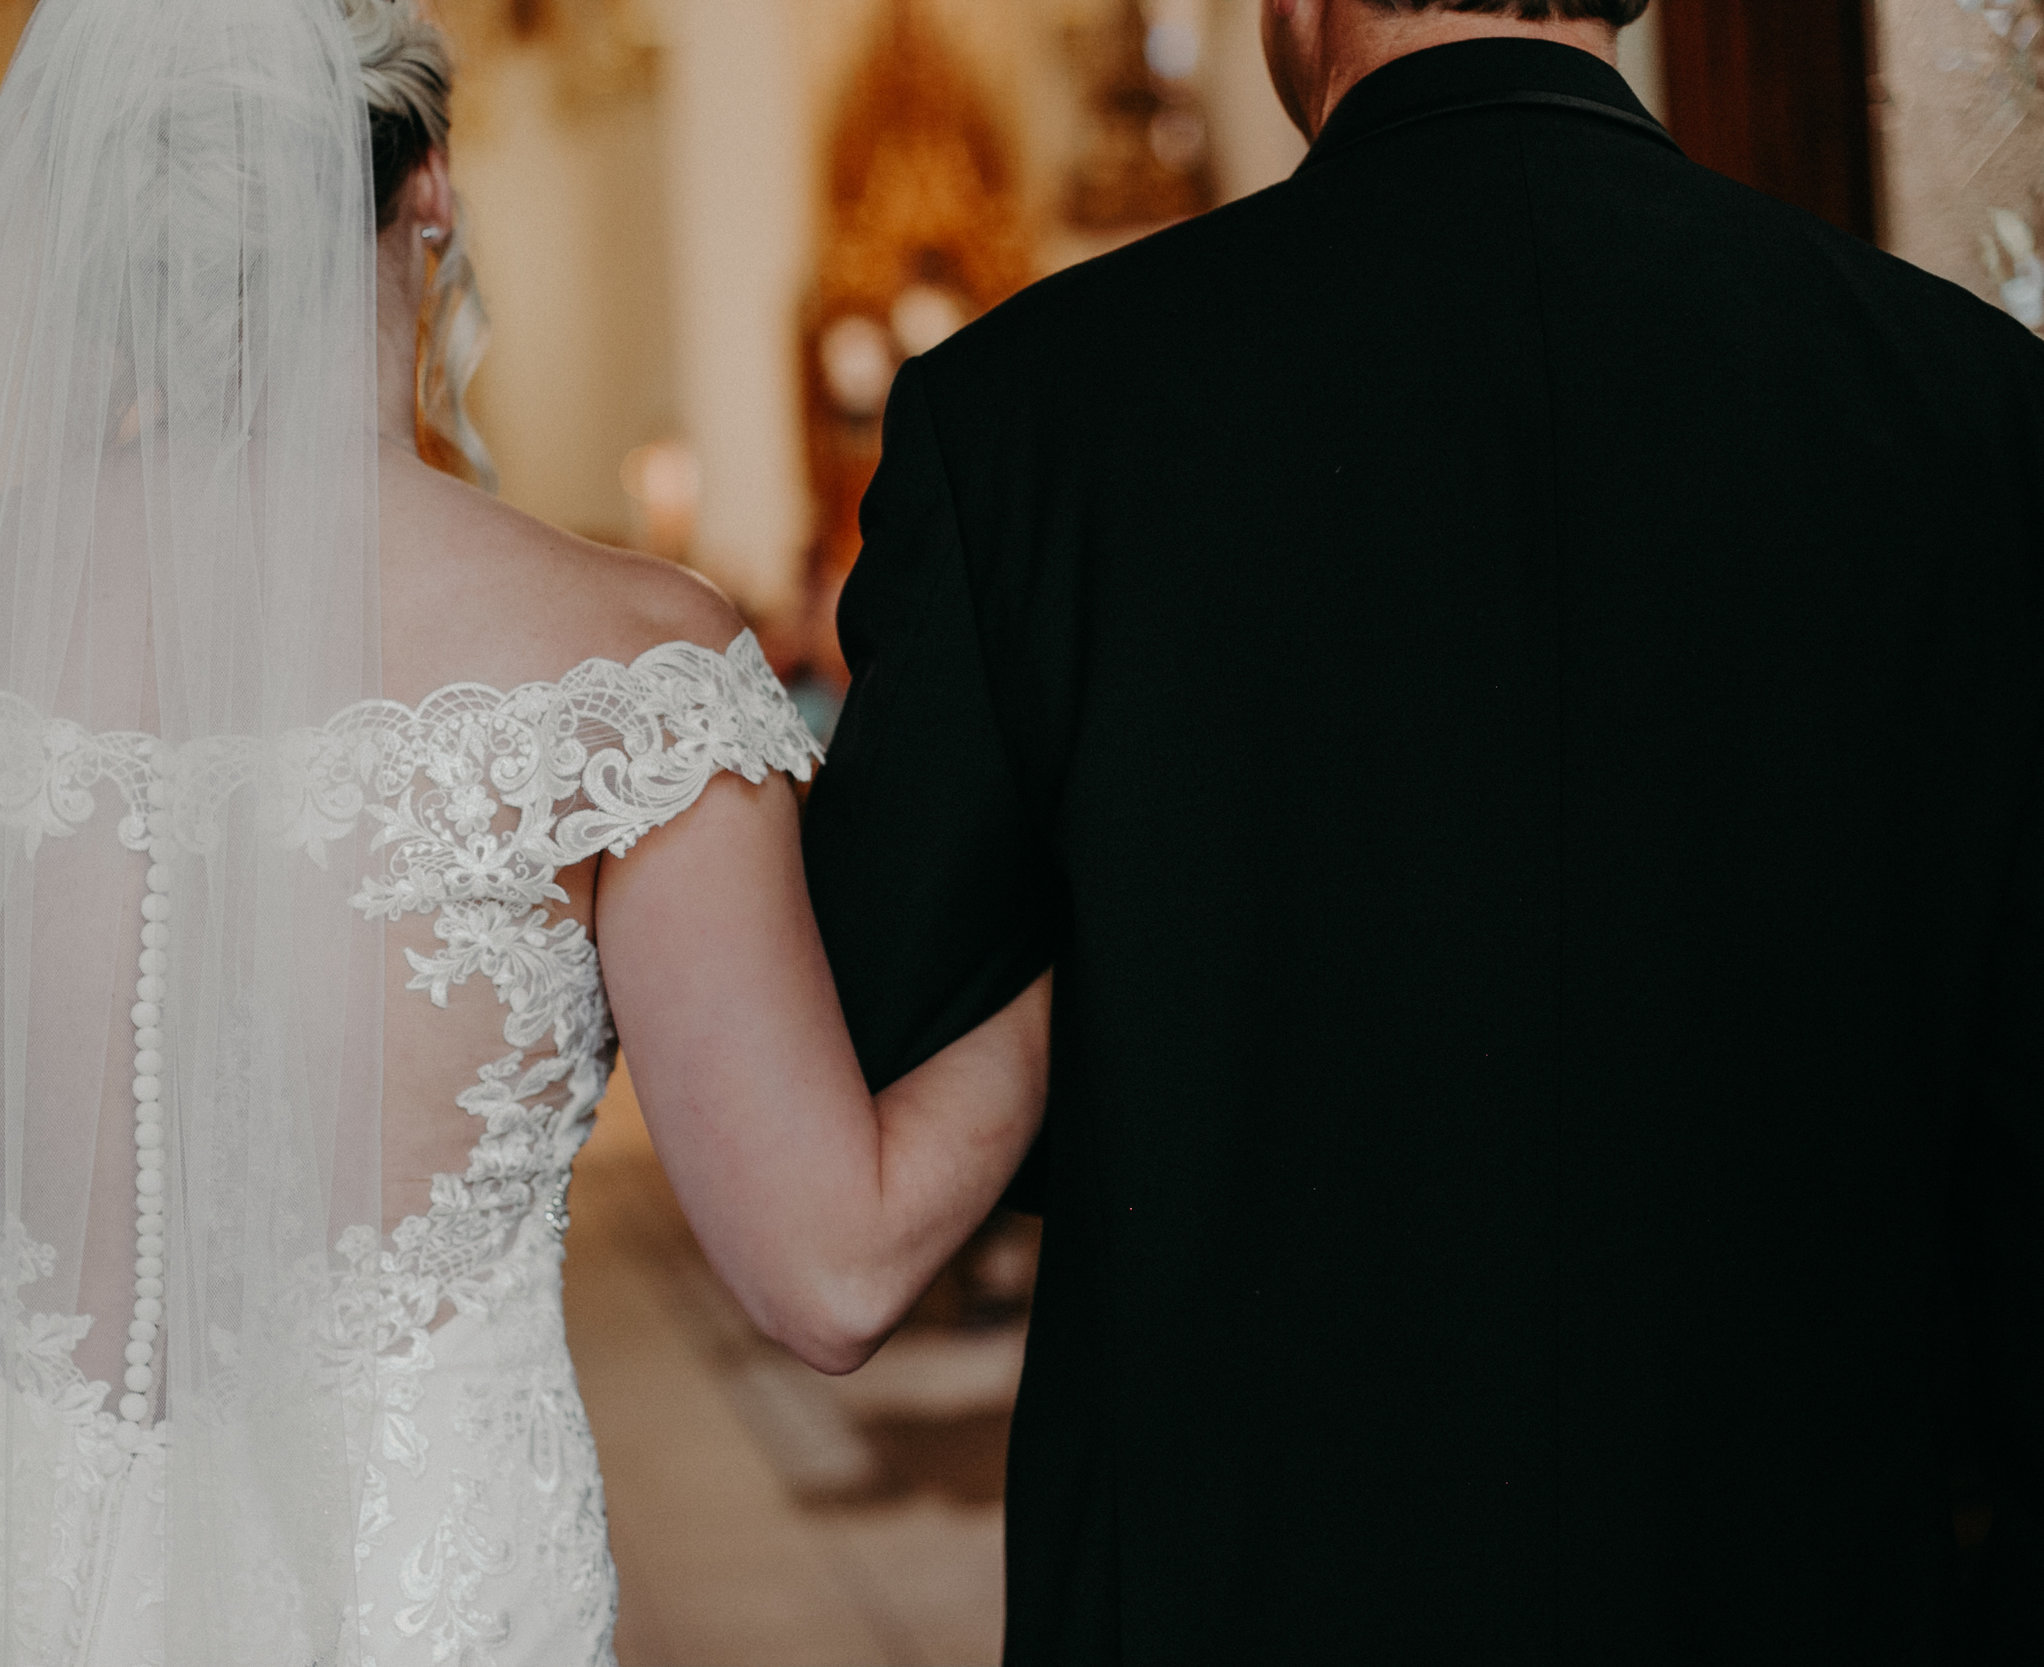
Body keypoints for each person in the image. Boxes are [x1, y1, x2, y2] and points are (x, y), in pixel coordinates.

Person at [0, 0, 1045, 1661]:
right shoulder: (623, 664)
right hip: (415, 1608)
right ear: (432, 193)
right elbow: (830, 1278)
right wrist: (1081, 950)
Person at [803, 0, 2044, 1660]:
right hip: (1804, 1561)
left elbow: (884, 1014)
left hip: (1235, 1569)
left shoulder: (1028, 415)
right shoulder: (1978, 413)